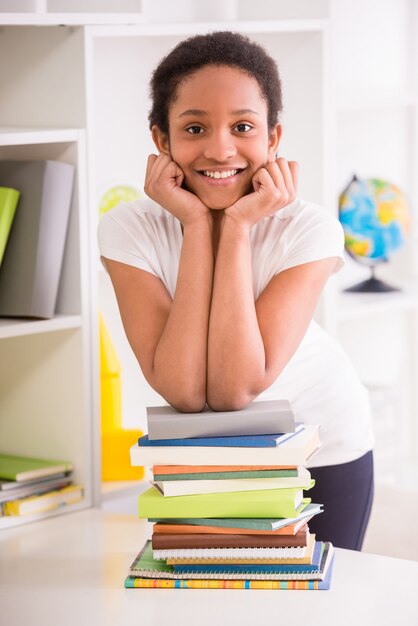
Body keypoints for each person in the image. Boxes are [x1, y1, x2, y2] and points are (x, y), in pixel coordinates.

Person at [98, 31, 374, 550]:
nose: (220, 148)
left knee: (319, 610)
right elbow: (182, 390)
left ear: (273, 139)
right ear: (161, 140)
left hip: (318, 445)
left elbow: (234, 387)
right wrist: (199, 227)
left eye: (243, 127)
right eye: (195, 127)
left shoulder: (309, 229)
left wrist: (241, 227)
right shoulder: (127, 230)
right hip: (204, 455)